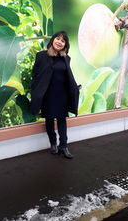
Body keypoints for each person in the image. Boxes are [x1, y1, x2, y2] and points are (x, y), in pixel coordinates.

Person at [30, 31, 80, 159]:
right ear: (53, 40)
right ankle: (53, 144)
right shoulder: (41, 55)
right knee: (50, 119)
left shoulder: (66, 58)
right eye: (57, 39)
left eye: (63, 41)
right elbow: (35, 74)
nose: (59, 42)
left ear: (65, 45)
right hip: (47, 94)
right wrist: (36, 90)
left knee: (62, 120)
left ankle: (64, 146)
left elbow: (68, 76)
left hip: (62, 94)